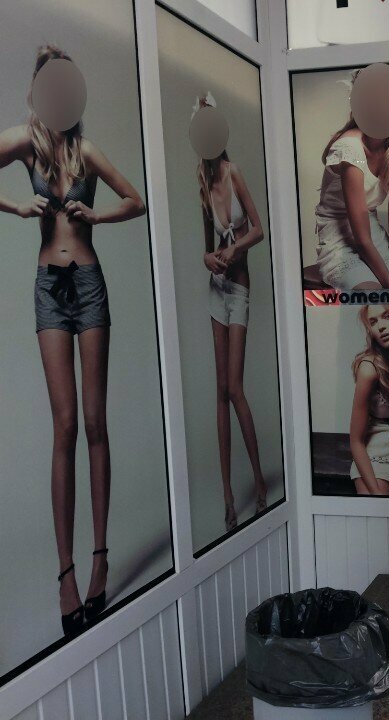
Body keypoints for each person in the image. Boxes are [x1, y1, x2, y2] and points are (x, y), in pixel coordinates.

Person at [0, 46, 146, 635]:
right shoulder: (24, 142)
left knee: (93, 423)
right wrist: (16, 206)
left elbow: (136, 201)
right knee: (64, 427)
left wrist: (96, 216)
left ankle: (99, 559)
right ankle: (65, 573)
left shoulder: (85, 151)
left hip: (88, 284)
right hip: (48, 288)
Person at [193, 93, 269, 531]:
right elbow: (206, 247)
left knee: (236, 388)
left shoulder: (234, 171)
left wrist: (234, 249)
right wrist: (209, 258)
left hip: (238, 287)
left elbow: (259, 229)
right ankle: (226, 496)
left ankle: (259, 484)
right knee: (220, 391)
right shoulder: (201, 182)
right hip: (215, 289)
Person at [312, 95, 389, 291]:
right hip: (339, 236)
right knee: (375, 293)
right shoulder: (350, 149)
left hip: (372, 232)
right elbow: (362, 240)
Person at [349, 304, 389, 496]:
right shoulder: (369, 369)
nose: (381, 326)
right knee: (377, 509)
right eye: (373, 322)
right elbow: (356, 441)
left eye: (388, 316)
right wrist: (376, 494)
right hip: (375, 454)